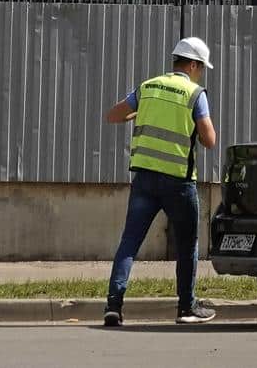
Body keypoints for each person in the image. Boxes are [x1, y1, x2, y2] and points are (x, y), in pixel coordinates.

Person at [102, 36, 219, 327]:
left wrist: (140, 113)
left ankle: (113, 306)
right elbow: (210, 140)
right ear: (192, 64)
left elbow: (113, 116)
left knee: (129, 242)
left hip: (144, 178)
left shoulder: (149, 87)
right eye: (201, 67)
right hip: (179, 181)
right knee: (187, 244)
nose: (201, 72)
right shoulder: (194, 94)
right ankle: (186, 308)